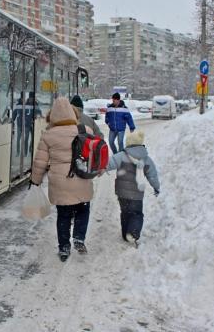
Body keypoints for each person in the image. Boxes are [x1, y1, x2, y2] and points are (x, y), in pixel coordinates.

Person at [30, 97, 94, 262]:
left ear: (53, 116)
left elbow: (40, 162)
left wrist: (35, 181)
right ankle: (79, 237)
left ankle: (64, 247)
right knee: (83, 209)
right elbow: (93, 154)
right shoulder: (85, 130)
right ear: (73, 113)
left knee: (63, 215)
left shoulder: (48, 135)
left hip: (60, 182)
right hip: (81, 177)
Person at [105, 130, 160, 247]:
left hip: (122, 193)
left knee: (125, 213)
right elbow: (152, 176)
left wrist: (98, 170)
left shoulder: (121, 156)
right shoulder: (146, 159)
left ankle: (125, 234)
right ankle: (133, 232)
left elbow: (108, 164)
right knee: (136, 213)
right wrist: (156, 187)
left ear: (128, 143)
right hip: (137, 194)